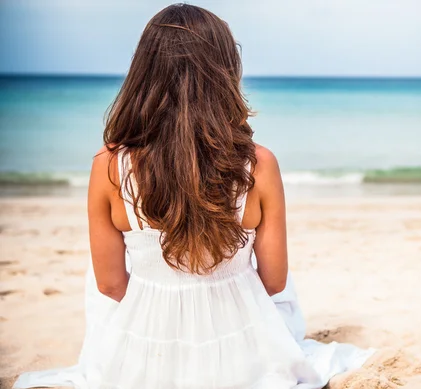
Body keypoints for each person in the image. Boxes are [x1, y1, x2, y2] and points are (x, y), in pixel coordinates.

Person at [13, 4, 373, 389]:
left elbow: (110, 285)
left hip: (146, 354)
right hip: (241, 349)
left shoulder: (109, 165)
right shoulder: (258, 164)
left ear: (142, 72)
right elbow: (274, 280)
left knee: (101, 271)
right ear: (225, 71)